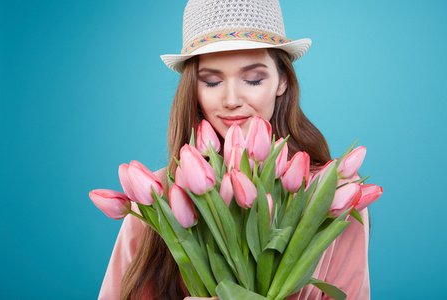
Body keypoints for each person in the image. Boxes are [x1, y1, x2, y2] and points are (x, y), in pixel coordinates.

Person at [99, 0, 370, 299]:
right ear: (194, 89)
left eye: (253, 79)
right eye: (212, 82)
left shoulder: (331, 193)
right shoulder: (155, 198)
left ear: (282, 80)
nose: (231, 99)